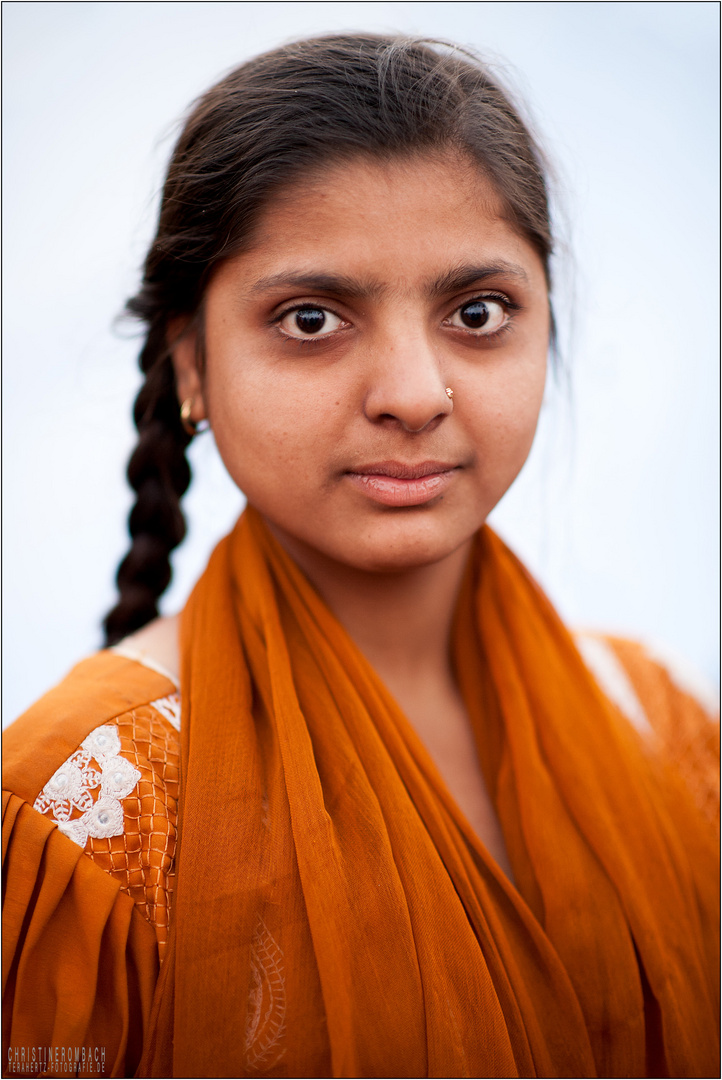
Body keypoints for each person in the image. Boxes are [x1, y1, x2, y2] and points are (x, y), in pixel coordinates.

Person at [2, 33, 718, 1080]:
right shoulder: (81, 804)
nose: (413, 391)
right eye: (310, 318)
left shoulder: (659, 727)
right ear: (190, 362)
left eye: (477, 312)